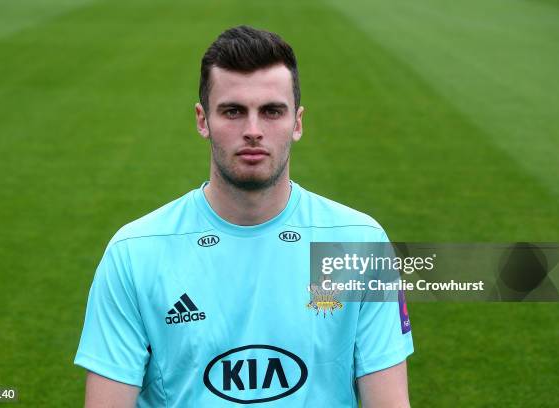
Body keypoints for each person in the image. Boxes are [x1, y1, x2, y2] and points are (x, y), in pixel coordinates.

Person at [74, 25, 414, 407]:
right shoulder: (135, 254)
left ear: (297, 123)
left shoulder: (357, 243)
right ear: (203, 120)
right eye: (233, 111)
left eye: (271, 111)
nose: (253, 131)